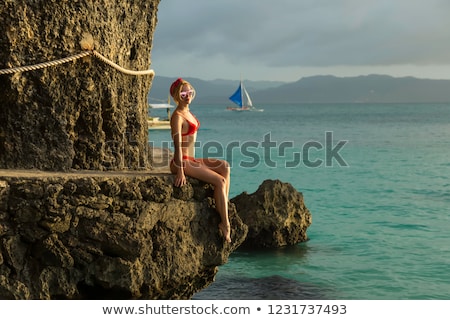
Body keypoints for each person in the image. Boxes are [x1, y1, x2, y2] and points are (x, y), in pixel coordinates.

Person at [169, 78, 232, 243]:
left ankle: (224, 204)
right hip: (180, 161)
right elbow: (176, 144)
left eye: (190, 92)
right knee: (220, 181)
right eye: (183, 93)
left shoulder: (188, 112)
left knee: (224, 167)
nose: (187, 95)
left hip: (191, 158)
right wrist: (180, 171)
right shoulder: (177, 116)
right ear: (177, 95)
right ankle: (225, 224)